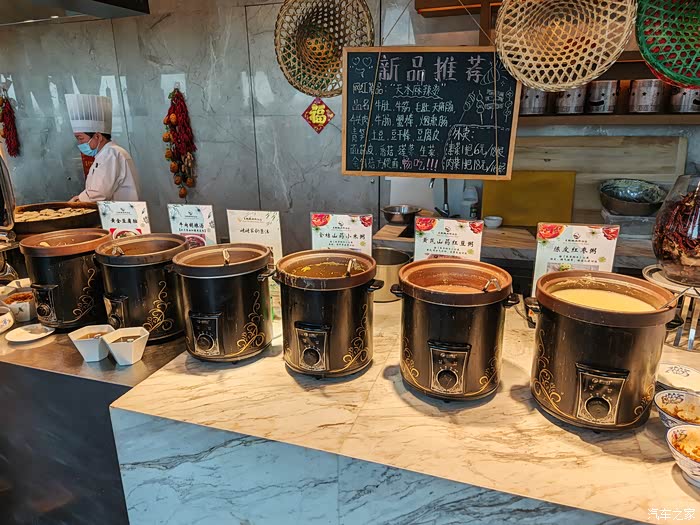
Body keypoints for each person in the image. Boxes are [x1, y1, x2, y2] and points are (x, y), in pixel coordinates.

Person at [65, 94, 140, 202]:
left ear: (98, 136)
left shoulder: (110, 155)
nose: (79, 143)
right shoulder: (107, 153)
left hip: (121, 211)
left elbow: (98, 194)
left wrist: (79, 201)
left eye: (81, 138)